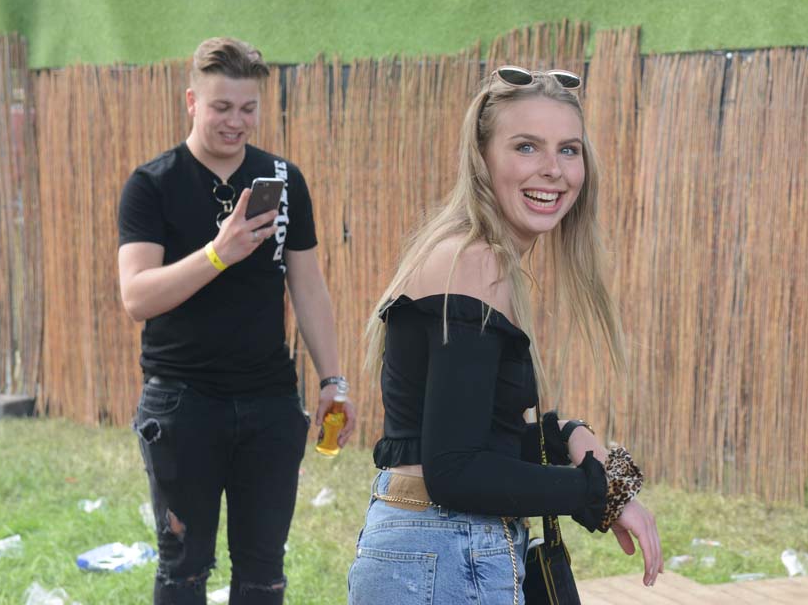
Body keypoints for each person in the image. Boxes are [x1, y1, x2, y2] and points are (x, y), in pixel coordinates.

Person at [347, 66, 662, 604]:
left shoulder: (472, 256)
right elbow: (456, 473)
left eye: (568, 150)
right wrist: (600, 491)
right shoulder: (477, 262)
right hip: (445, 554)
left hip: (432, 553)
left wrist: (564, 435)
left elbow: (468, 435)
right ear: (482, 158)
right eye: (526, 147)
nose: (553, 169)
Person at [117, 37, 356, 604]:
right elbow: (137, 296)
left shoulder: (282, 179)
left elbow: (308, 285)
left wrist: (334, 380)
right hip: (182, 404)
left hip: (269, 403)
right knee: (183, 568)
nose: (236, 121)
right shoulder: (153, 184)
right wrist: (218, 254)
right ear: (192, 102)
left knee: (264, 573)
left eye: (248, 108)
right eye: (222, 107)